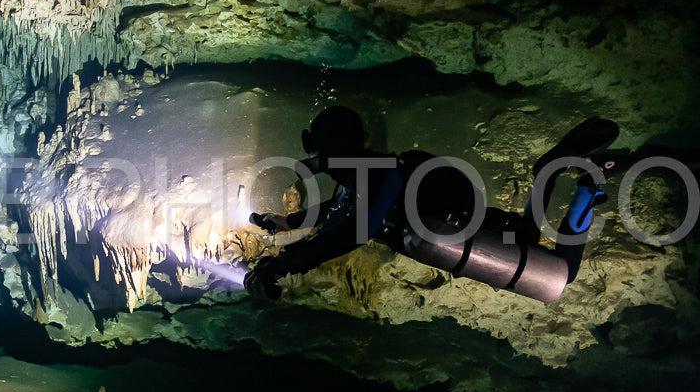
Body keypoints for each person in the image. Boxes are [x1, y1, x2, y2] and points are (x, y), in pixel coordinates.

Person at [244, 106, 619, 302]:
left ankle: (588, 182)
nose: (318, 163)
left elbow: (353, 232)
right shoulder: (366, 175)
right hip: (468, 229)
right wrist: (289, 221)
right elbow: (336, 209)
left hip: (474, 233)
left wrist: (284, 264)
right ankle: (553, 172)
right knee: (526, 234)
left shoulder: (378, 175)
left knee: (561, 275)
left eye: (322, 154)